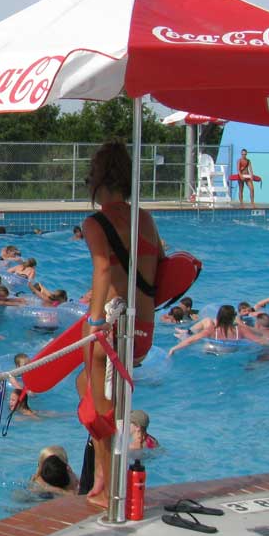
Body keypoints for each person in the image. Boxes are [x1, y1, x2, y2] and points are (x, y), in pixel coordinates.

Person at [78, 139, 164, 507]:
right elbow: (160, 261)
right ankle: (100, 475)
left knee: (100, 408)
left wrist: (96, 319)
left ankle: (108, 488)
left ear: (97, 182)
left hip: (111, 326)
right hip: (142, 327)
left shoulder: (95, 222)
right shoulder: (143, 218)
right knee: (92, 392)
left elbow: (101, 269)